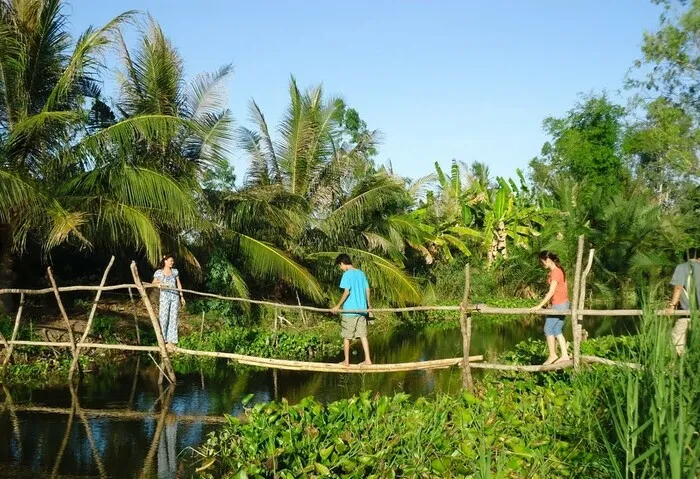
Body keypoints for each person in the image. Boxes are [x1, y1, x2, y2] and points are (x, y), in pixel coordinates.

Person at [330, 254, 372, 367]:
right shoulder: (361, 273)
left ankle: (346, 361)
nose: (340, 268)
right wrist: (368, 305)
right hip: (362, 310)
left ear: (342, 264)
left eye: (340, 266)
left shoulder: (347, 274)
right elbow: (367, 290)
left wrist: (337, 306)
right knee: (363, 335)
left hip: (349, 311)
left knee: (346, 337)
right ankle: (368, 360)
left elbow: (347, 292)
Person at [531, 251, 570, 365]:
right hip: (563, 303)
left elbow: (552, 291)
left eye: (542, 262)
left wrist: (539, 305)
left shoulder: (555, 272)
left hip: (559, 305)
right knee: (557, 330)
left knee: (548, 329)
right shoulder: (559, 270)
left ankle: (553, 355)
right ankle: (565, 355)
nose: (542, 264)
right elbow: (564, 287)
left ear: (548, 260)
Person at [666, 247, 699, 356]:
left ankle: (682, 363)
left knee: (677, 338)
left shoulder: (682, 267)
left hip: (687, 313)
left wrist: (672, 305)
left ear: (686, 258)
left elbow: (678, 288)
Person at [153, 254, 185, 352]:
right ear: (165, 261)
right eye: (171, 260)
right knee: (163, 317)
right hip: (164, 297)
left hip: (174, 297)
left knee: (173, 318)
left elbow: (178, 284)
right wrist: (158, 284)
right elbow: (153, 282)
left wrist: (181, 296)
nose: (172, 262)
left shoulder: (175, 272)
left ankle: (171, 341)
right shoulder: (159, 272)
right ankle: (164, 340)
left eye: (173, 261)